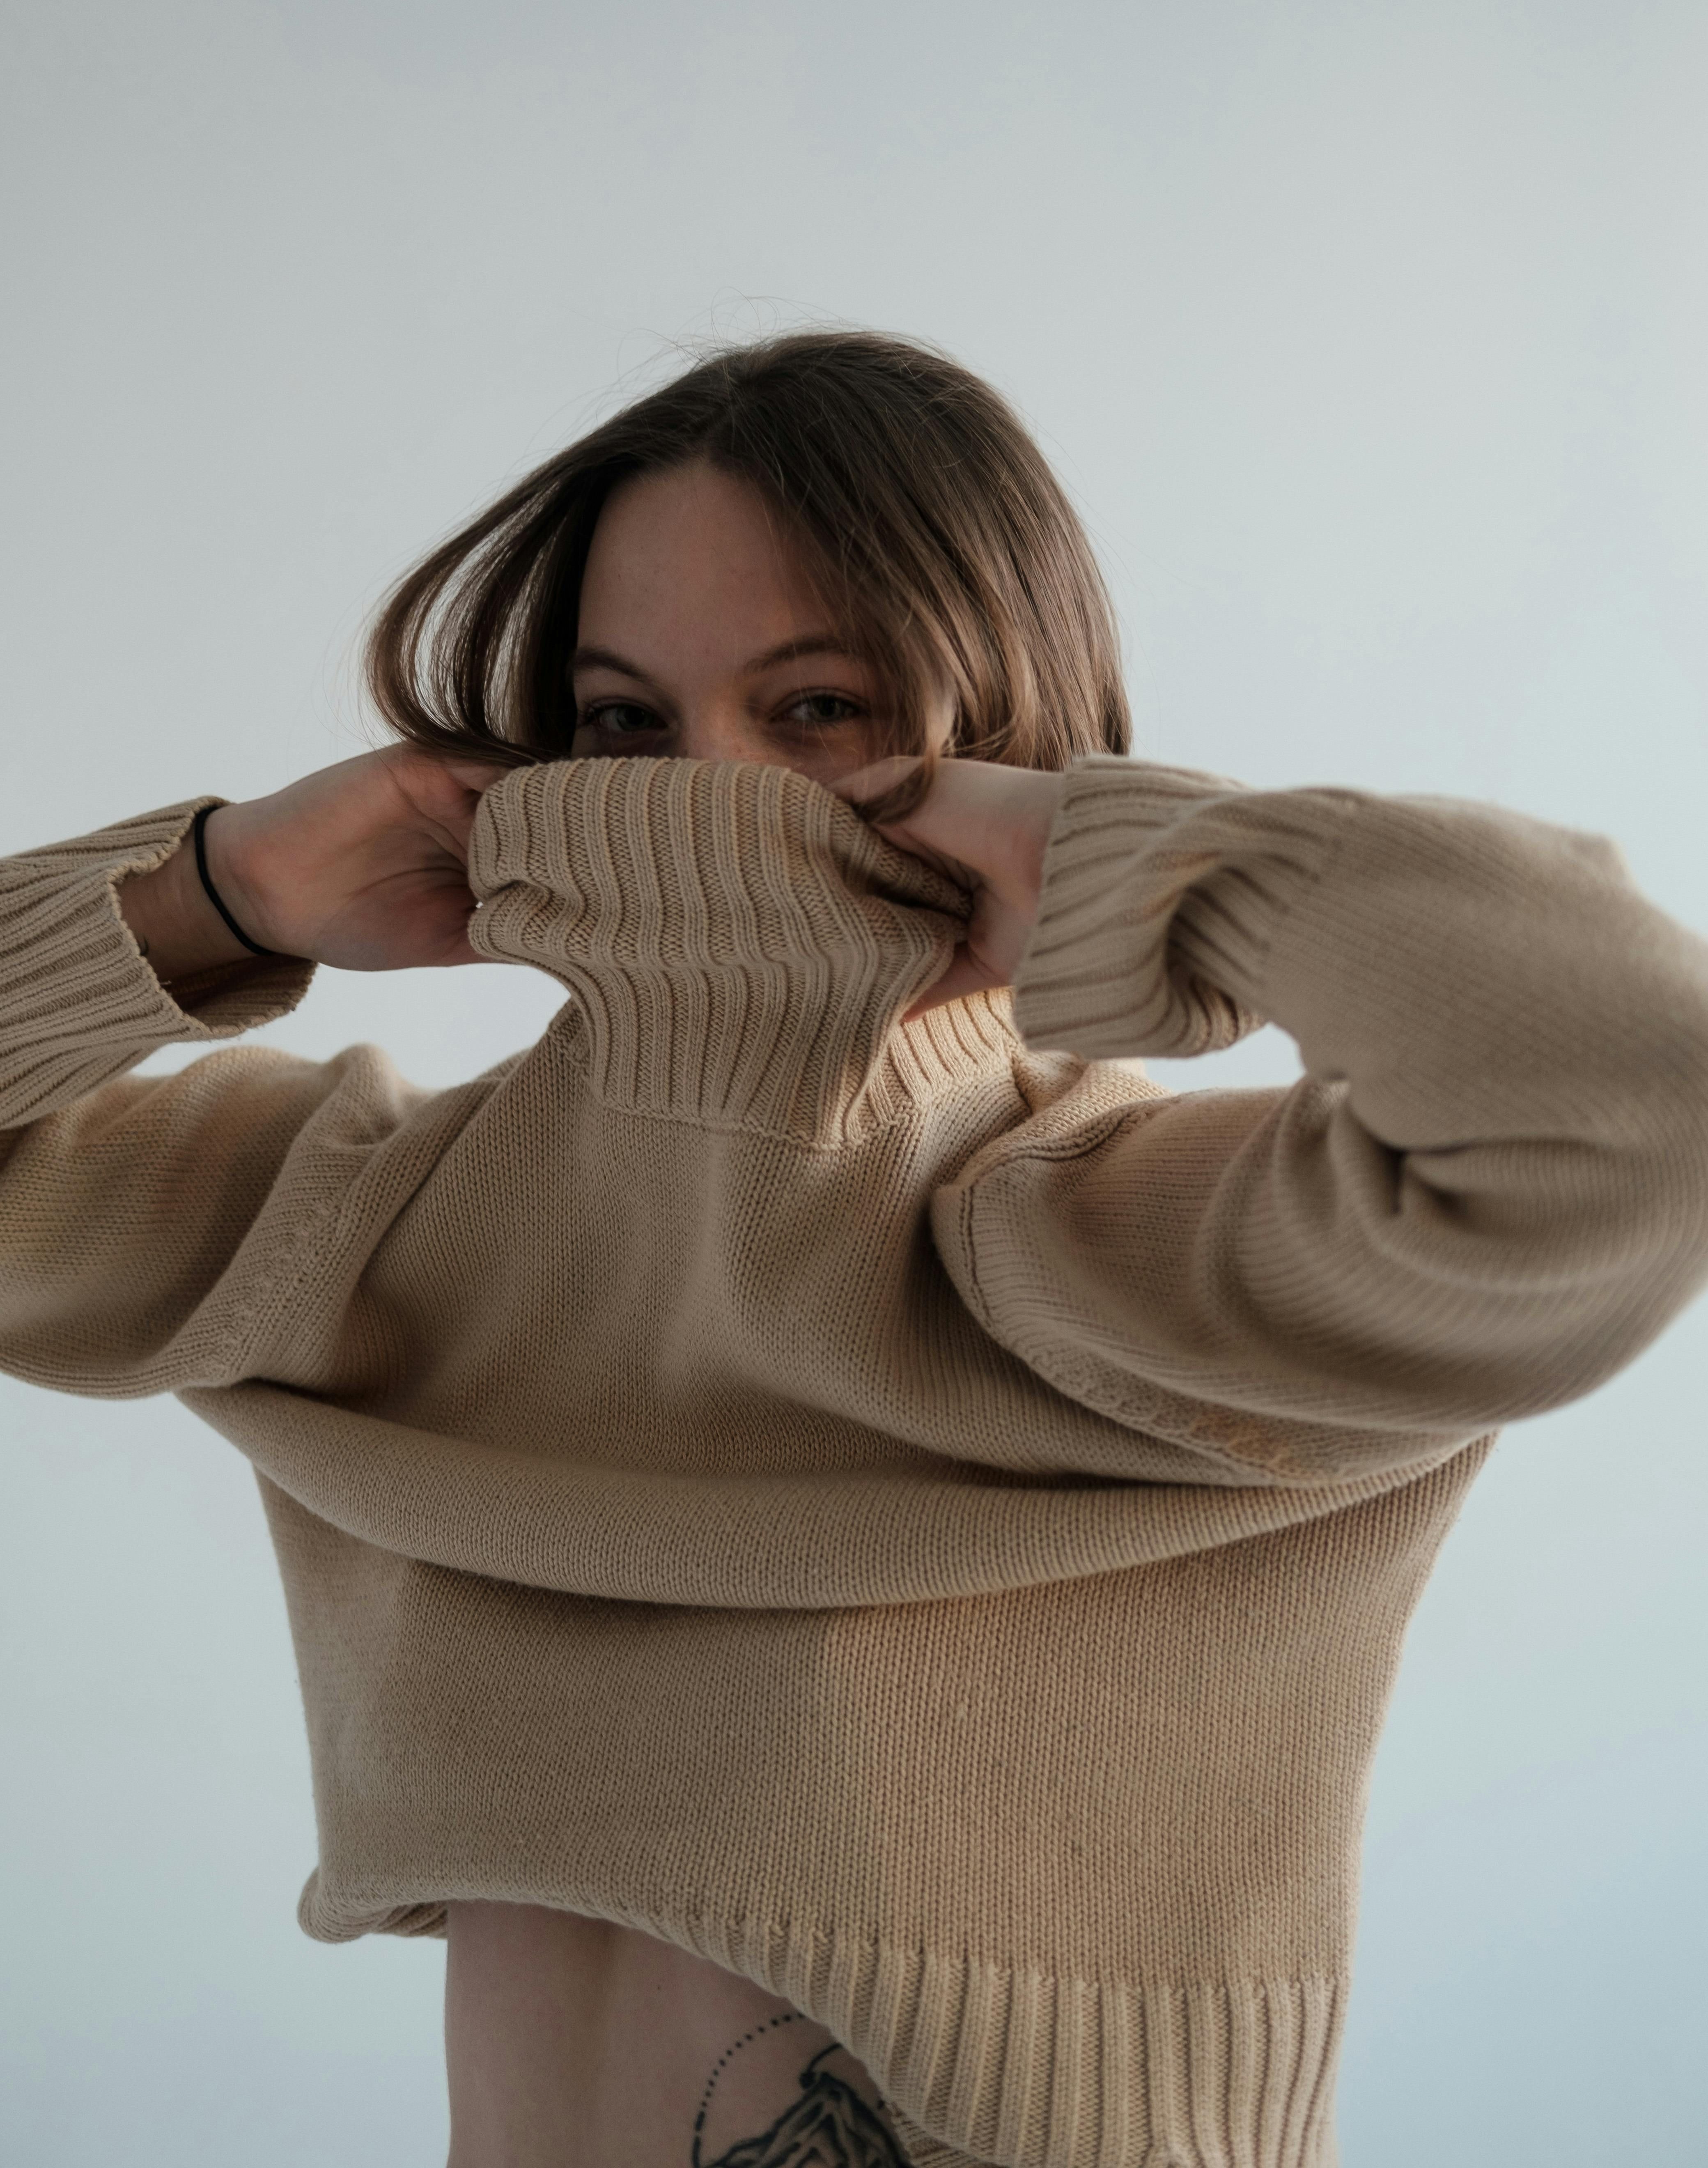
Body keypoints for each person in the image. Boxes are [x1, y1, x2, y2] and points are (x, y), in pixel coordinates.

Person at [3, 330, 1706, 2168]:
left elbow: (1630, 1100)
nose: (712, 795)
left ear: (1006, 730)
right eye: (625, 727)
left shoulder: (1123, 1252)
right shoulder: (373, 1231)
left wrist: (1148, 873)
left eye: (818, 710)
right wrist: (209, 893)